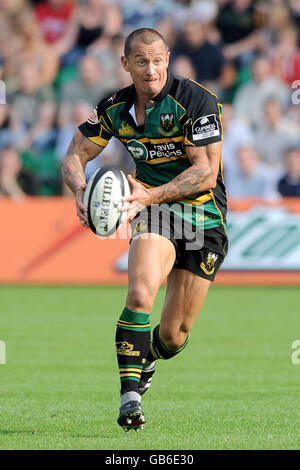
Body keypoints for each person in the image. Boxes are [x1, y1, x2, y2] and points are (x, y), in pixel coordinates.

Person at [61, 28, 228, 432]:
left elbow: (205, 173)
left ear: (167, 59)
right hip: (154, 215)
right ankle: (130, 399)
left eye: (156, 60)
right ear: (126, 64)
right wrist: (81, 190)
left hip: (204, 219)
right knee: (139, 292)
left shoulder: (195, 100)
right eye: (140, 61)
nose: (150, 69)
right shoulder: (113, 108)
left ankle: (148, 355)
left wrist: (149, 196)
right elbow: (73, 157)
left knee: (174, 335)